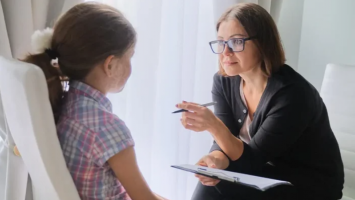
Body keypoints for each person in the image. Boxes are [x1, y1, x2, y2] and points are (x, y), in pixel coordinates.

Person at [176, 3, 344, 200]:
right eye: (221, 42)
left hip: (310, 184)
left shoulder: (292, 94)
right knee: (214, 180)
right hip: (264, 172)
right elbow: (227, 138)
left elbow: (250, 161)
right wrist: (215, 161)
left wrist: (213, 125)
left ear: (263, 43)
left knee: (223, 185)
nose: (225, 53)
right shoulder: (223, 81)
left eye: (236, 42)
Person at [22, 2, 166, 200]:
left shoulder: (58, 102)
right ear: (110, 64)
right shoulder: (107, 128)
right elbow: (144, 197)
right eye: (130, 57)